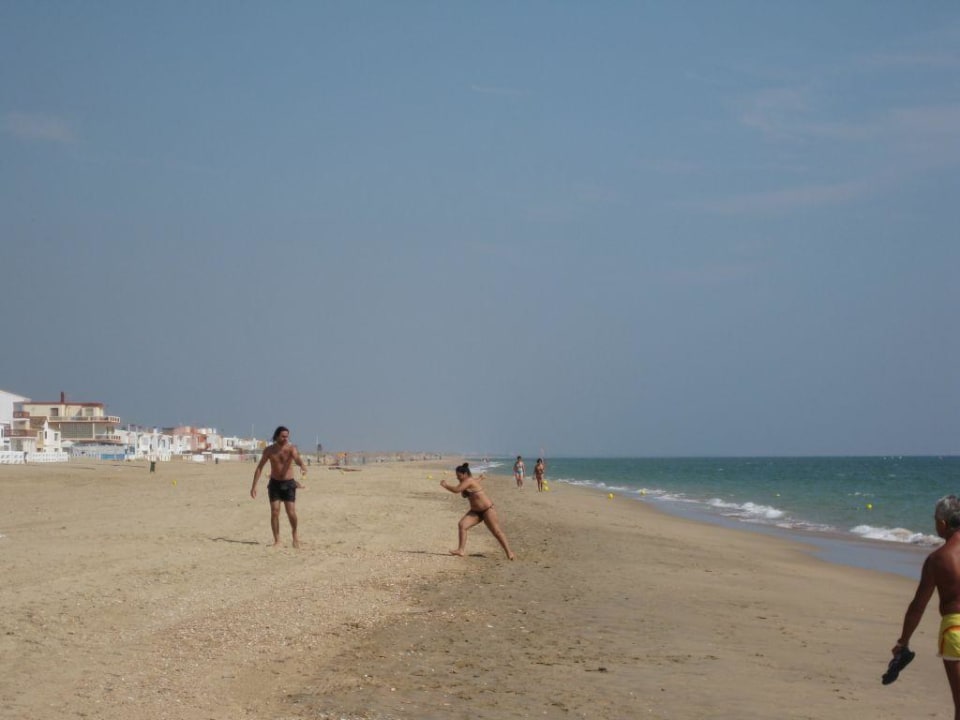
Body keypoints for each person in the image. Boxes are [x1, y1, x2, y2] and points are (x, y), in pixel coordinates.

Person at [893, 495, 960, 718]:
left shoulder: (938, 559)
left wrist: (903, 641)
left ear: (942, 523)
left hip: (955, 630)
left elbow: (918, 606)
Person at [440, 462, 515, 560]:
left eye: (459, 476)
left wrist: (445, 485)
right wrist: (480, 478)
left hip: (487, 510)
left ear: (465, 474)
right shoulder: (467, 482)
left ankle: (509, 552)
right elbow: (473, 484)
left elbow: (456, 490)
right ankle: (461, 550)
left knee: (496, 532)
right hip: (475, 512)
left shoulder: (468, 480)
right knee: (462, 525)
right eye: (457, 476)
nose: (457, 478)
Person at [251, 426, 307, 548]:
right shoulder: (269, 450)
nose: (286, 438)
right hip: (274, 484)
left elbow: (297, 458)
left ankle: (295, 535)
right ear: (276, 436)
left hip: (289, 483)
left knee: (291, 512)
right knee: (275, 512)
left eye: (287, 436)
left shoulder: (291, 448)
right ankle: (277, 540)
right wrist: (254, 486)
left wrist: (302, 465)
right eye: (283, 436)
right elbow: (260, 467)